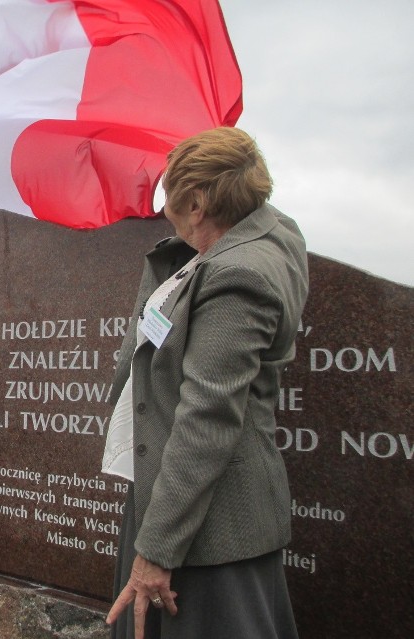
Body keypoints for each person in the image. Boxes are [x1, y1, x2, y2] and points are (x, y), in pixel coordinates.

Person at [102, 127, 307, 639]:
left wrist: (155, 552)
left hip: (209, 527)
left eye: (170, 195)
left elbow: (206, 422)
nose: (162, 206)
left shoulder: (239, 276)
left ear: (197, 205)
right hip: (183, 499)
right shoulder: (265, 232)